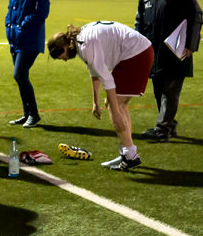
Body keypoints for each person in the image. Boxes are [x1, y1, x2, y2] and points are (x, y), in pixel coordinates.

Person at [48, 22, 154, 170]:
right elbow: (94, 71)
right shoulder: (78, 41)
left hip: (136, 53)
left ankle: (130, 156)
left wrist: (115, 112)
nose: (65, 60)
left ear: (65, 48)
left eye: (62, 56)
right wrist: (95, 102)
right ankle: (128, 152)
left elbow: (107, 79)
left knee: (114, 104)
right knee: (120, 104)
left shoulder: (85, 45)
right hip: (137, 51)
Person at [135, 0, 202, 142]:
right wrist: (137, 47)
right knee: (158, 90)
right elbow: (139, 23)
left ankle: (162, 130)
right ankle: (169, 126)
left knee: (170, 92)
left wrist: (191, 45)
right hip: (153, 54)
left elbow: (196, 15)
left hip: (176, 51)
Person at [5, 0, 50, 128]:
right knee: (21, 77)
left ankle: (34, 114)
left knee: (19, 74)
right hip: (16, 37)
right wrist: (9, 25)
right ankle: (26, 114)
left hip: (30, 37)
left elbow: (42, 12)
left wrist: (23, 25)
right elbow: (12, 9)